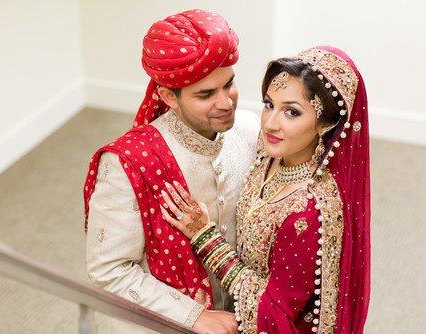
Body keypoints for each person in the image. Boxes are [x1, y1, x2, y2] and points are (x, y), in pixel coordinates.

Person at [161, 46, 371, 333]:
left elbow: (273, 314)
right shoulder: (269, 152)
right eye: (269, 104)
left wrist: (206, 239)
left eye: (292, 112)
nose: (270, 124)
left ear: (326, 123)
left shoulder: (307, 214)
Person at [83, 9, 259, 334]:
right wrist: (194, 316)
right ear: (168, 96)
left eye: (229, 84)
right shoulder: (129, 163)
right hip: (167, 320)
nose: (226, 102)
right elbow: (109, 269)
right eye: (205, 94)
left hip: (246, 308)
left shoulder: (250, 129)